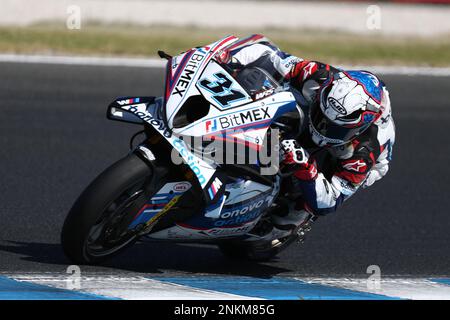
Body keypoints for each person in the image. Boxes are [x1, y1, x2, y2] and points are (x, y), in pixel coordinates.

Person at [216, 34, 396, 235]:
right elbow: (269, 54)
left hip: (345, 154)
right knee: (277, 92)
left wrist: (306, 167)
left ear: (357, 129)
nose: (322, 128)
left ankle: (285, 226)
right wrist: (229, 60)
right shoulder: (318, 75)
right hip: (329, 103)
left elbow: (329, 201)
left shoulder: (364, 152)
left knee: (301, 206)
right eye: (321, 116)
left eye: (335, 127)